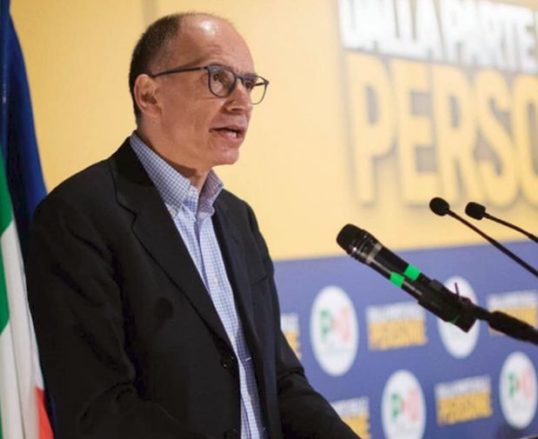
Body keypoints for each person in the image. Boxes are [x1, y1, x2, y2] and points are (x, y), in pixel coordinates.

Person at [26, 12, 358, 439]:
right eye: (218, 78)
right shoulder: (79, 216)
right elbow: (101, 409)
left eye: (248, 83)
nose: (241, 102)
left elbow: (279, 380)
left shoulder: (238, 219)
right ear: (149, 95)